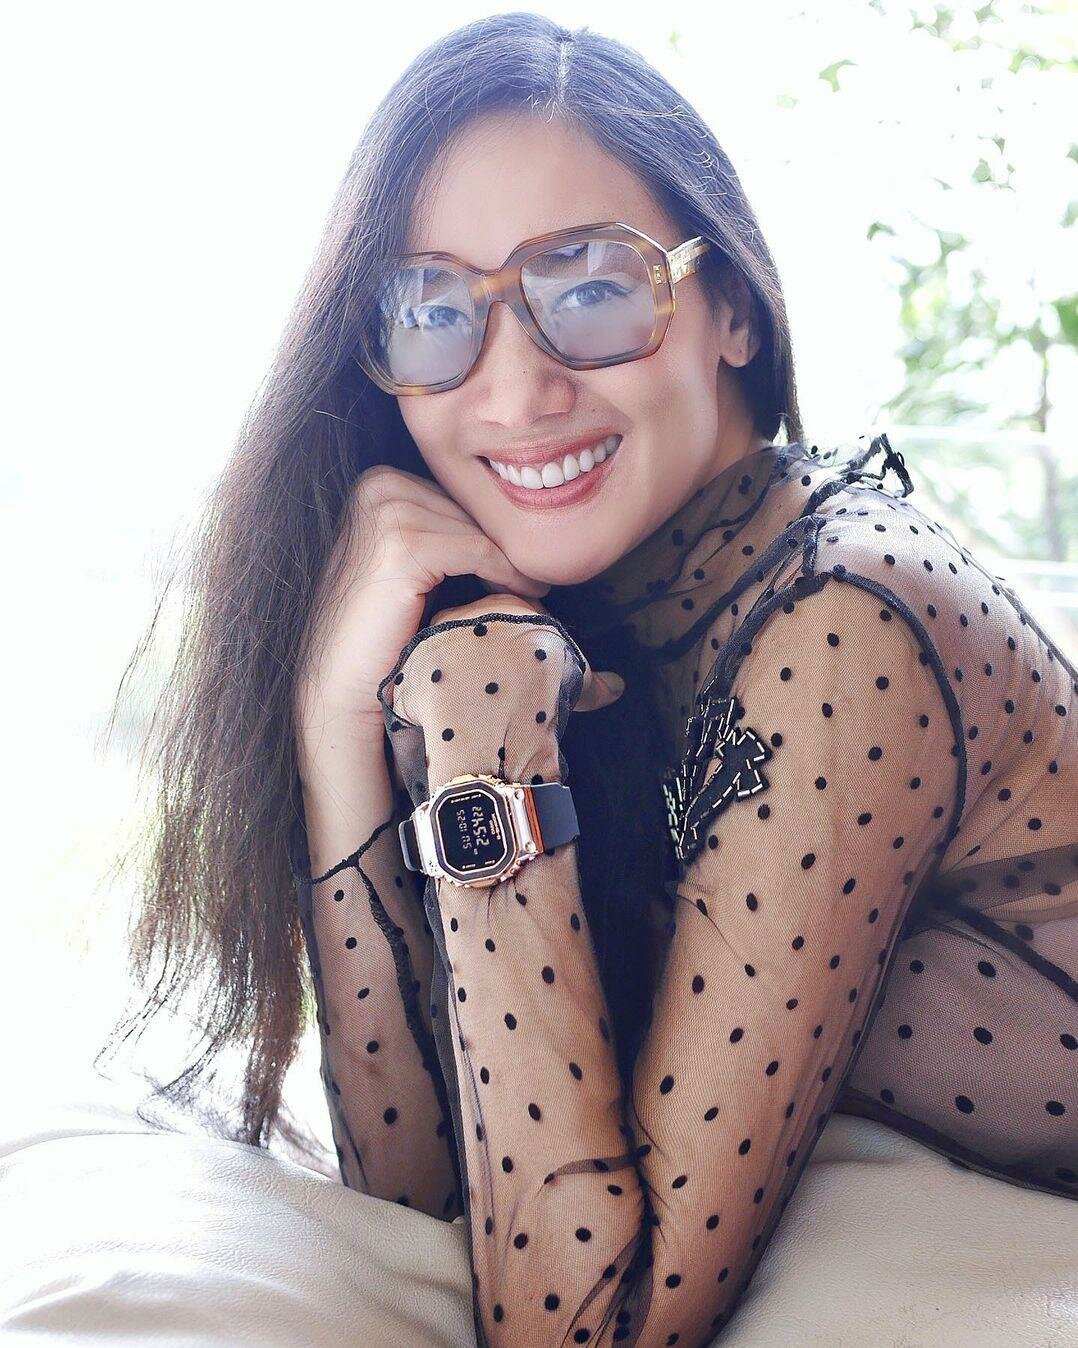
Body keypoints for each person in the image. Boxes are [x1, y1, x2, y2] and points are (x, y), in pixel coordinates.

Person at [99, 16, 1076, 1348]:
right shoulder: (593, 617)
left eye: (591, 287)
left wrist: (482, 721)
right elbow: (424, 1193)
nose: (514, 391)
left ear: (733, 309)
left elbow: (581, 1330)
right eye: (433, 311)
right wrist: (336, 725)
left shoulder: (844, 621)